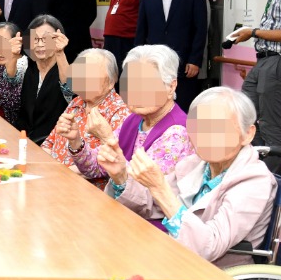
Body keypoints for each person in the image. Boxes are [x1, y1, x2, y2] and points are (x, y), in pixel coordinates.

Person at [99, 87, 276, 268]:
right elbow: (149, 203)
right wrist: (121, 175)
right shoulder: (194, 164)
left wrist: (160, 188)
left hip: (215, 277)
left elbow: (209, 246)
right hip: (173, 257)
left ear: (248, 134)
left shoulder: (254, 180)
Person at [69, 44, 195, 226]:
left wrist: (107, 139)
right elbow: (96, 168)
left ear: (171, 86)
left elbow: (143, 195)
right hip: (120, 212)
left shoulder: (177, 131)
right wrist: (75, 140)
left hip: (151, 225)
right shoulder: (134, 120)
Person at [43, 48, 129, 189]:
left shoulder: (120, 112)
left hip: (81, 189)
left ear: (111, 82)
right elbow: (50, 143)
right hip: (53, 178)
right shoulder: (76, 102)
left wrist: (55, 175)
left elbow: (103, 166)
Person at [135, 0, 207, 111]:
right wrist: (138, 60)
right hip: (154, 62)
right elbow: (141, 29)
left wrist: (195, 60)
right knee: (153, 105)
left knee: (182, 106)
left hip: (184, 63)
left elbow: (200, 28)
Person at [235, 0, 281, 174]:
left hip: (276, 64)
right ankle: (251, 174)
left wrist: (253, 32)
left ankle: (273, 184)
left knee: (272, 127)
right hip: (263, 61)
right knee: (246, 119)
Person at [4, 15, 72, 144]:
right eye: (35, 39)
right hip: (22, 139)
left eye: (46, 39)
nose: (40, 44)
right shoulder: (26, 65)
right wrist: (12, 56)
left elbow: (70, 92)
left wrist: (59, 53)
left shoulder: (65, 68)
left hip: (53, 143)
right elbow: (9, 83)